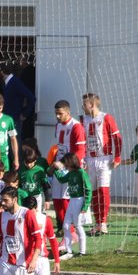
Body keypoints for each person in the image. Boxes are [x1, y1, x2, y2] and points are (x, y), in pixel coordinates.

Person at [80, 93, 123, 236]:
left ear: (92, 105)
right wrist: (82, 159)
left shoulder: (106, 118)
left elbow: (117, 138)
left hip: (104, 159)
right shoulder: (83, 120)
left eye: (84, 104)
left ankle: (103, 222)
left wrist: (117, 157)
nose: (82, 106)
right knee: (93, 192)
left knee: (103, 190)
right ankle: (97, 222)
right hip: (89, 159)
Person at [51, 101, 86, 239]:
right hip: (59, 166)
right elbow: (59, 147)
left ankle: (72, 233)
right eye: (56, 113)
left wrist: (67, 165)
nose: (57, 116)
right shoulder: (58, 125)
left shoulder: (76, 126)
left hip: (70, 168)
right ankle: (67, 231)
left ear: (68, 112)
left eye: (60, 113)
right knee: (57, 199)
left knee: (66, 199)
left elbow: (80, 151)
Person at [50, 153, 92, 258]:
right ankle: (69, 251)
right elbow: (62, 179)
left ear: (70, 162)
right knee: (66, 225)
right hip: (72, 200)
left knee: (78, 226)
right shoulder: (71, 173)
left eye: (66, 163)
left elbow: (88, 189)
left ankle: (82, 251)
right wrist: (56, 170)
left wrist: (85, 205)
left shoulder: (81, 172)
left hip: (79, 200)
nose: (64, 166)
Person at [0, 64, 36, 139]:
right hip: (8, 119)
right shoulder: (8, 82)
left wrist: (25, 113)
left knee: (14, 142)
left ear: (2, 72)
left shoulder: (15, 82)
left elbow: (32, 98)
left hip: (15, 120)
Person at [0, 92, 20, 171]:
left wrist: (16, 158)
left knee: (4, 179)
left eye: (0, 108)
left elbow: (13, 139)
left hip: (3, 157)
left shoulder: (8, 120)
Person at [19, 144, 49, 216]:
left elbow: (45, 185)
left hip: (37, 196)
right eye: (27, 163)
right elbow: (19, 184)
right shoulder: (21, 170)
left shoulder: (39, 170)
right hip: (25, 197)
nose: (29, 165)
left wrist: (47, 200)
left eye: (31, 163)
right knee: (25, 215)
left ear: (35, 161)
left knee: (37, 215)